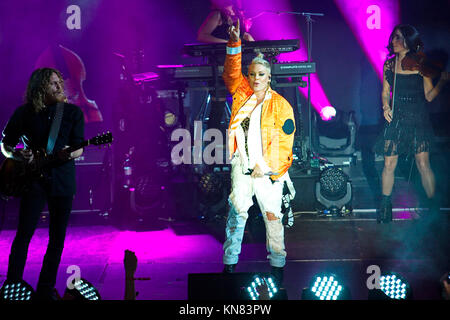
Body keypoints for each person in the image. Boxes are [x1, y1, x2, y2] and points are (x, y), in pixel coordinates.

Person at [221, 20, 295, 286]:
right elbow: (230, 74)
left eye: (260, 74)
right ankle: (229, 266)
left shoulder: (281, 105)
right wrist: (234, 43)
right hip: (242, 164)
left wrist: (268, 166)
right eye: (251, 74)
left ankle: (277, 267)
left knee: (272, 217)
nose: (255, 78)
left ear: (269, 76)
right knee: (237, 213)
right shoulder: (241, 92)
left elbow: (285, 143)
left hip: (268, 170)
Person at [1, 67, 85, 300]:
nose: (60, 86)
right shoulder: (24, 113)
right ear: (39, 88)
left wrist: (69, 154)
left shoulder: (71, 113)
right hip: (33, 181)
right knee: (23, 234)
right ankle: (13, 285)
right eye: (53, 83)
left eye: (59, 82)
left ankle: (45, 289)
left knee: (57, 239)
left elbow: (79, 147)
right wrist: (18, 155)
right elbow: (5, 144)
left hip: (62, 180)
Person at [375, 24, 449, 223]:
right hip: (396, 118)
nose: (393, 41)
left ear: (408, 41)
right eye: (393, 38)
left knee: (422, 164)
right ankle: (385, 209)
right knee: (389, 163)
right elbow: (385, 91)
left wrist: (442, 81)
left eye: (398, 38)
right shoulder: (389, 65)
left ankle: (434, 209)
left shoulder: (421, 63)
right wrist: (385, 107)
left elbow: (429, 96)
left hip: (418, 117)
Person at [197, 0, 255, 134]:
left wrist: (251, 41)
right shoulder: (217, 15)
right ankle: (212, 145)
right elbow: (202, 36)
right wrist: (227, 43)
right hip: (220, 63)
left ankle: (243, 142)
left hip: (237, 63)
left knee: (244, 104)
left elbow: (242, 37)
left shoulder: (238, 15)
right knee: (218, 106)